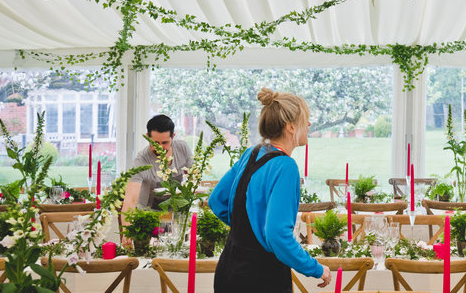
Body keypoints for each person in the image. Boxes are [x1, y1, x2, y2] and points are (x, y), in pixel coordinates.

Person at [209, 89, 330, 291]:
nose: (309, 125)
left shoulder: (251, 153)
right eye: (305, 120)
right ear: (290, 127)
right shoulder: (285, 166)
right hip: (260, 276)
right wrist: (316, 268)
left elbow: (217, 200)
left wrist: (249, 230)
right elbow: (277, 235)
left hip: (229, 268)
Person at [122, 114, 193, 213]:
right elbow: (130, 200)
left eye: (165, 143)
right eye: (155, 143)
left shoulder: (182, 148)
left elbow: (193, 176)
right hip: (148, 213)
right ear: (147, 137)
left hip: (176, 212)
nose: (160, 147)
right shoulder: (141, 160)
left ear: (173, 137)